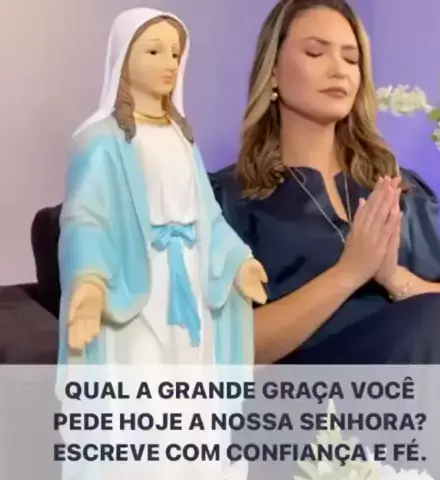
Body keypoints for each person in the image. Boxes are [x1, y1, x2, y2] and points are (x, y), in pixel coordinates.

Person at [56, 7, 267, 479]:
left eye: (175, 53)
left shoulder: (181, 137)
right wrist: (90, 282)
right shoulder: (99, 140)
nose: (169, 63)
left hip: (190, 288)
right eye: (154, 51)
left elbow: (208, 216)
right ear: (123, 58)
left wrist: (237, 261)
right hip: (137, 291)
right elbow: (85, 218)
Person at [212, 0, 440, 366]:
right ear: (272, 72)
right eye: (315, 53)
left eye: (351, 59)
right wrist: (349, 273)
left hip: (421, 372)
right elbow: (228, 348)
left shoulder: (399, 189)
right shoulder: (230, 200)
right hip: (311, 390)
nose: (338, 70)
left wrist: (391, 275)